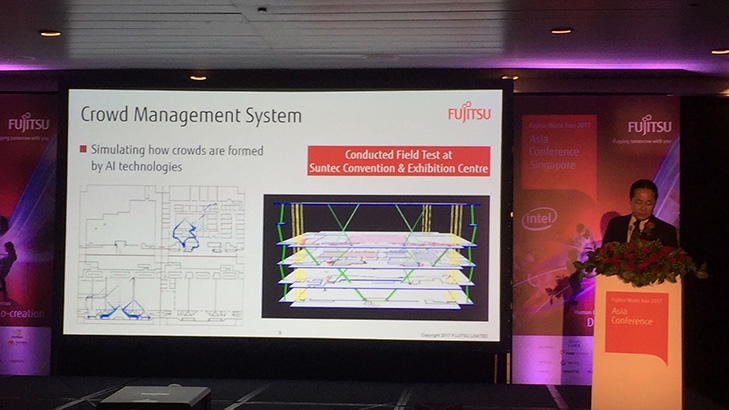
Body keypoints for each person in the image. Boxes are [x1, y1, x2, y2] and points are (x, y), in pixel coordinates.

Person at [602, 179, 679, 247]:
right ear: (631, 200)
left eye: (648, 203)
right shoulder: (615, 225)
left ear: (655, 203)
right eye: (638, 202)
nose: (643, 208)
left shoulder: (666, 231)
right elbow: (604, 254)